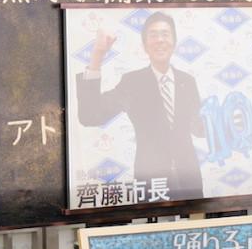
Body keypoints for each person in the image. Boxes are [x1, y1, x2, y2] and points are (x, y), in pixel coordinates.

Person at [76, 11, 206, 201]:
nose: (160, 40)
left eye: (165, 34)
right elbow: (90, 115)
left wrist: (224, 124)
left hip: (190, 180)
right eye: (153, 35)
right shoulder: (133, 83)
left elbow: (198, 128)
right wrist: (97, 56)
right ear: (145, 45)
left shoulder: (188, 82)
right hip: (151, 182)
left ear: (174, 42)